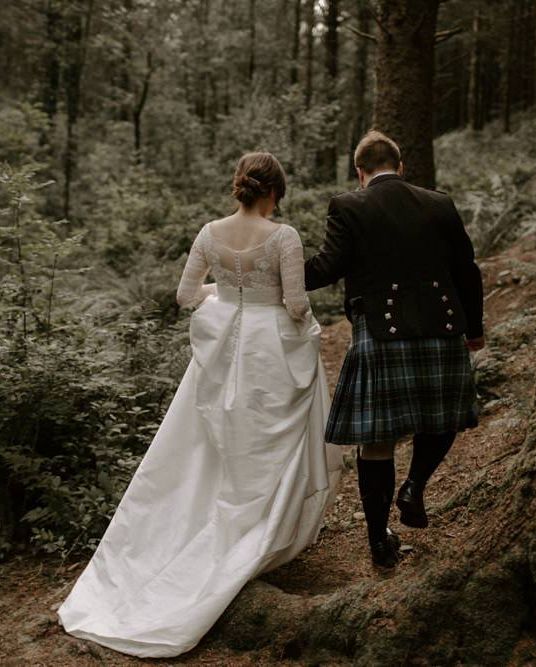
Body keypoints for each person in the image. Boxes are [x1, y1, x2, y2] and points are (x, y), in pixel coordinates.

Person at [57, 152, 342, 658]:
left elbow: (186, 296)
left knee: (205, 446)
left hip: (223, 346)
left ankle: (194, 534)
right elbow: (296, 305)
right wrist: (292, 317)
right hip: (267, 349)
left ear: (241, 187)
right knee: (263, 442)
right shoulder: (285, 237)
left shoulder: (209, 233)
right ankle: (254, 533)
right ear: (275, 191)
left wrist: (227, 291)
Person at [305, 130, 484, 569]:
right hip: (442, 328)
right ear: (401, 167)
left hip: (382, 333)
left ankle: (378, 540)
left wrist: (275, 266)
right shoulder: (439, 203)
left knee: (378, 440)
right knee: (443, 418)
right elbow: (467, 269)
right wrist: (474, 327)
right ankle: (416, 486)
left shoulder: (348, 205)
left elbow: (326, 267)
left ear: (360, 172)